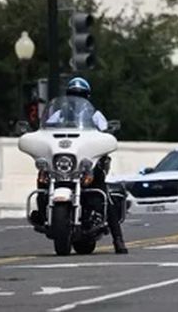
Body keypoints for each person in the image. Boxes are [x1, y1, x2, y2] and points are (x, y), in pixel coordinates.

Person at [32, 77, 128, 254]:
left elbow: (105, 132)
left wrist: (106, 135)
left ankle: (118, 239)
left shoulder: (95, 115)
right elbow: (44, 130)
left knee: (104, 192)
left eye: (81, 95)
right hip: (64, 163)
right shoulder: (58, 115)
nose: (77, 98)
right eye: (73, 94)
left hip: (88, 164)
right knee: (42, 178)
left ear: (87, 96)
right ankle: (41, 212)